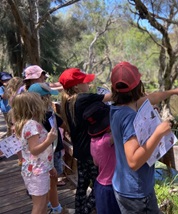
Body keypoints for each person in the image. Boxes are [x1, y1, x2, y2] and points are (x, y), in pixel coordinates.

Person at [109, 61, 178, 213]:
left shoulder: (116, 108)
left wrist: (173, 92)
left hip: (124, 186)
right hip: (136, 193)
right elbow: (133, 161)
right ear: (139, 87)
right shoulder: (129, 117)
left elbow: (153, 98)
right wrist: (159, 132)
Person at [59, 68, 113, 214]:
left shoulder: (66, 101)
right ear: (76, 86)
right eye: (85, 81)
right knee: (98, 186)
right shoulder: (82, 99)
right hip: (90, 152)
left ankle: (78, 210)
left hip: (79, 150)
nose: (88, 84)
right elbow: (112, 97)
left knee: (82, 186)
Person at [11, 92, 58, 214]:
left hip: (36, 170)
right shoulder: (32, 124)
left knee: (42, 203)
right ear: (33, 107)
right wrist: (49, 140)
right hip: (37, 172)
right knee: (39, 205)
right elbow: (34, 150)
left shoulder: (24, 124)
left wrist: (50, 167)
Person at [28, 83, 65, 213]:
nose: (50, 99)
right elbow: (61, 124)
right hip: (50, 153)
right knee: (52, 183)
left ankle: (50, 204)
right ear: (43, 99)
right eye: (49, 96)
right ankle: (56, 208)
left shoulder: (32, 117)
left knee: (48, 184)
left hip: (42, 157)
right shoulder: (47, 115)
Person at [83, 101, 121, 214]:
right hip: (111, 187)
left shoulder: (93, 141)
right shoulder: (107, 141)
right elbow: (120, 129)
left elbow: (96, 162)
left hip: (99, 185)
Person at [0, 71, 13, 137]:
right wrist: (7, 90)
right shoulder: (1, 88)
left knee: (13, 123)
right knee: (9, 125)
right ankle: (9, 137)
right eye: (4, 80)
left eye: (8, 80)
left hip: (12, 109)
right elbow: (4, 97)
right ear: (1, 81)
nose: (7, 81)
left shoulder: (12, 88)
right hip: (6, 110)